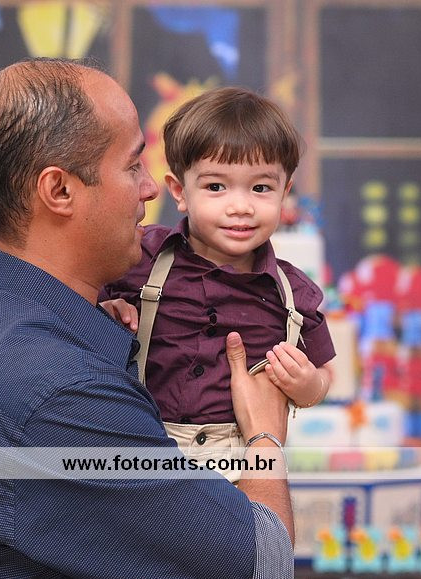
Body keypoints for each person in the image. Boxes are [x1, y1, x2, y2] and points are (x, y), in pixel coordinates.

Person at [0, 58, 296, 578]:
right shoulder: (61, 393)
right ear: (59, 191)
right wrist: (264, 437)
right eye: (133, 166)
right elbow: (263, 560)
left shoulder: (2, 313)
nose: (150, 189)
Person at [100, 87, 336, 480]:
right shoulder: (139, 259)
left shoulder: (293, 294)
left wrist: (309, 386)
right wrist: (102, 314)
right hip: (142, 450)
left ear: (284, 193)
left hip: (240, 465)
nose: (240, 206)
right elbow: (71, 317)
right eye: (216, 187)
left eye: (261, 188)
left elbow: (326, 374)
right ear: (180, 191)